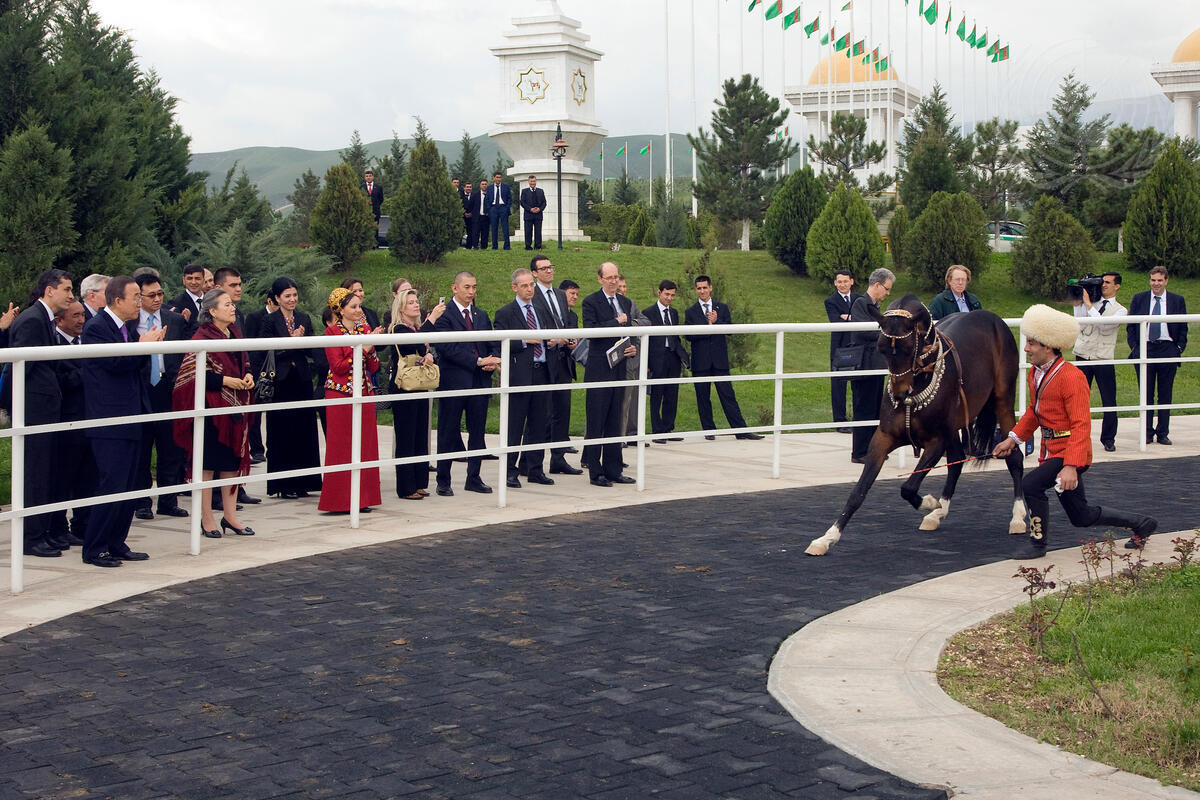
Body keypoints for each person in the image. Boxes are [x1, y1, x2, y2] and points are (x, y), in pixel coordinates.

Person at [994, 304, 1157, 559]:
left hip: (1070, 452)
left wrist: (1071, 466)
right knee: (1081, 516)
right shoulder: (1036, 373)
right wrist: (1013, 439)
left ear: (1048, 346)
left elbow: (1081, 424)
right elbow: (1035, 411)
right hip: (1053, 452)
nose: (1026, 348)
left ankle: (1037, 544)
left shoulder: (1071, 377)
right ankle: (1142, 523)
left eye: (1031, 343)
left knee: (1031, 485)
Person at [80, 275, 158, 567]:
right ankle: (95, 547)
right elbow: (114, 364)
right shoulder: (97, 328)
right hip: (109, 419)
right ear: (117, 300)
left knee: (130, 483)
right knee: (111, 483)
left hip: (132, 414)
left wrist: (145, 346)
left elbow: (132, 368)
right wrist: (143, 346)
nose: (140, 302)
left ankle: (116, 541)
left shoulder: (126, 328)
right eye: (136, 297)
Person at [172, 288, 257, 540]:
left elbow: (245, 361)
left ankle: (230, 516)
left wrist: (248, 375)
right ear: (212, 311)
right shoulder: (201, 337)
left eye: (232, 304)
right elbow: (193, 375)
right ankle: (206, 517)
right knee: (207, 465)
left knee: (231, 463)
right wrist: (225, 381)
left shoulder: (235, 333)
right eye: (227, 304)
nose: (233, 308)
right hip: (211, 410)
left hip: (235, 409)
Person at [9, 269, 75, 556]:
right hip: (34, 411)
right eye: (67, 289)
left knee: (44, 471)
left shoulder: (42, 319)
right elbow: (21, 369)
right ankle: (31, 537)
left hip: (44, 409)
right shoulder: (32, 320)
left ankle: (41, 531)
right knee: (35, 473)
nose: (71, 296)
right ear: (50, 290)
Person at [434, 271, 501, 496]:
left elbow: (491, 341)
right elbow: (448, 348)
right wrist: (479, 361)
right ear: (455, 288)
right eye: (467, 287)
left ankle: (474, 477)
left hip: (479, 381)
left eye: (474, 287)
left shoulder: (481, 315)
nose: (471, 292)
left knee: (477, 432)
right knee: (447, 431)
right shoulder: (444, 314)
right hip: (454, 381)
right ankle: (443, 480)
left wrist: (493, 358)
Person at [317, 288, 382, 513]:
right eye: (353, 307)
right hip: (340, 394)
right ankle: (339, 500)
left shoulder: (365, 329)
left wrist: (371, 350)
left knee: (366, 444)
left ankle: (363, 498)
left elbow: (374, 366)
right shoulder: (332, 332)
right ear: (340, 310)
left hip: (364, 391)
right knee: (341, 445)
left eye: (359, 306)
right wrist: (363, 349)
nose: (358, 310)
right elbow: (338, 367)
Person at [132, 273, 190, 520]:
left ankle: (168, 500)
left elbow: (185, 354)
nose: (157, 299)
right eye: (151, 295)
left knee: (170, 446)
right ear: (139, 297)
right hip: (143, 388)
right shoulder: (130, 322)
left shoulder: (174, 320)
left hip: (169, 387)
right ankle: (142, 501)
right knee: (143, 447)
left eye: (160, 294)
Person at [259, 277, 322, 499]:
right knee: (282, 430)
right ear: (277, 298)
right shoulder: (269, 320)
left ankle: (305, 481)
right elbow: (266, 351)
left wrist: (302, 342)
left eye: (294, 295)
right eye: (287, 296)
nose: (292, 299)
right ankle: (283, 485)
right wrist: (290, 341)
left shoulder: (303, 318)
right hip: (281, 381)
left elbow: (311, 349)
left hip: (301, 379)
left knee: (305, 429)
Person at [493, 268, 557, 488]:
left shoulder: (540, 309)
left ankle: (534, 468)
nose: (529, 289)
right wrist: (523, 340)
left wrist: (551, 341)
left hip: (542, 370)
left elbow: (548, 332)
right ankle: (509, 471)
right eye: (524, 286)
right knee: (515, 424)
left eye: (531, 285)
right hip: (520, 374)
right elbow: (498, 342)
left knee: (539, 423)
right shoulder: (505, 313)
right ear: (515, 288)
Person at [684, 275, 764, 442]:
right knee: (703, 397)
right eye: (699, 288)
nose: (702, 291)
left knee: (728, 396)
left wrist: (716, 321)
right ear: (696, 290)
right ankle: (709, 430)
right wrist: (707, 326)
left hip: (719, 361)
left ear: (710, 288)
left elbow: (729, 330)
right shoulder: (690, 312)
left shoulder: (722, 308)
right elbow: (688, 335)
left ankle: (741, 430)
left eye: (704, 287)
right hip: (701, 362)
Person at [581, 262, 639, 487]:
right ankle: (595, 471)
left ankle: (614, 469)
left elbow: (628, 332)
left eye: (616, 277)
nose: (614, 281)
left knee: (615, 419)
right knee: (597, 420)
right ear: (600, 279)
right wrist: (615, 322)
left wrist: (632, 347)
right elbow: (591, 331)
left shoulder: (625, 302)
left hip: (619, 367)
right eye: (609, 277)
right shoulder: (591, 302)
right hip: (599, 369)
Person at [388, 289, 446, 500]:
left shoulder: (415, 328)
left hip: (420, 384)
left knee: (421, 434)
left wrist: (429, 355)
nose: (416, 305)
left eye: (416, 301)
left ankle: (420, 482)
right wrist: (432, 319)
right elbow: (414, 343)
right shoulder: (398, 329)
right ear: (401, 307)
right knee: (406, 436)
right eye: (411, 302)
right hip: (404, 387)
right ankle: (406, 487)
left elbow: (423, 347)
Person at [529, 257, 581, 474]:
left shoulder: (560, 294)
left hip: (563, 360)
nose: (549, 271)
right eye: (544, 268)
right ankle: (531, 464)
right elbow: (532, 323)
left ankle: (558, 459)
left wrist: (571, 338)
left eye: (551, 267)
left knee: (562, 411)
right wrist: (552, 339)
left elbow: (566, 321)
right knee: (542, 414)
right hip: (543, 360)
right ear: (534, 273)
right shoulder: (533, 294)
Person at [1126, 266, 1187, 445]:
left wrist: (1178, 348)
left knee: (1165, 394)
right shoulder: (1139, 299)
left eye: (1160, 280)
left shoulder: (1177, 300)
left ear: (1166, 281)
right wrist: (1134, 347)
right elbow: (1130, 326)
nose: (1156, 283)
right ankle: (1146, 433)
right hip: (1145, 348)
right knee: (1146, 394)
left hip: (1168, 349)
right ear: (1149, 280)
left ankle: (1162, 433)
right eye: (1153, 280)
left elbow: (1183, 327)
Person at [49, 301, 91, 547]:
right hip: (66, 421)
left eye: (83, 315)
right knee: (63, 478)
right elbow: (59, 382)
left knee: (87, 477)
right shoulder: (54, 344)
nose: (81, 320)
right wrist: (87, 370)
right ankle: (57, 527)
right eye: (75, 316)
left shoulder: (86, 342)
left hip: (90, 419)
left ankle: (82, 525)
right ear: (59, 320)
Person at [1073, 272, 1126, 452]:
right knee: (1078, 399)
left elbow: (1104, 325)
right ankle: (1078, 436)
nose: (1103, 285)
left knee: (1109, 399)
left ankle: (1108, 439)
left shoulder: (1120, 310)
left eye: (1108, 282)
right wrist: (1078, 303)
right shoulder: (1091, 304)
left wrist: (1088, 305)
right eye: (1102, 282)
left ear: (1117, 286)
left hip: (1103, 357)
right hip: (1083, 354)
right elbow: (1079, 325)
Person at [848, 268, 895, 464]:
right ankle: (859, 452)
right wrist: (886, 333)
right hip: (864, 365)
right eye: (887, 288)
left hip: (875, 364)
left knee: (875, 407)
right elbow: (863, 331)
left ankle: (872, 449)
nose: (888, 293)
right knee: (863, 407)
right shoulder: (861, 303)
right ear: (877, 285)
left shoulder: (874, 306)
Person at [645, 280, 685, 442]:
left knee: (672, 394)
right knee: (657, 395)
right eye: (667, 294)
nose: (669, 298)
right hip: (656, 358)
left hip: (672, 356)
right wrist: (647, 363)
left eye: (672, 295)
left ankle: (668, 428)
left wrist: (681, 355)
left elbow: (676, 336)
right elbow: (646, 340)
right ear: (659, 292)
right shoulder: (648, 313)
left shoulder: (673, 313)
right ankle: (657, 430)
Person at [823, 270, 860, 433]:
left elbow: (864, 318)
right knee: (838, 386)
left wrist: (847, 316)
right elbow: (835, 321)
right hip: (839, 348)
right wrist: (851, 317)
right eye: (839, 282)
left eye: (845, 281)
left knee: (858, 384)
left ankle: (859, 420)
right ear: (835, 283)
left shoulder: (859, 299)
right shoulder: (830, 301)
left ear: (851, 281)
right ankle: (840, 421)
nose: (842, 284)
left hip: (857, 346)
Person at [617, 276, 651, 446]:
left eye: (624, 286)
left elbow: (646, 321)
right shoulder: (604, 305)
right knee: (615, 401)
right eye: (620, 287)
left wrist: (631, 323)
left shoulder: (630, 304)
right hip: (611, 362)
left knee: (632, 400)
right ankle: (616, 437)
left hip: (631, 361)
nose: (622, 290)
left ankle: (630, 434)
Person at [168, 263, 205, 337]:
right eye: (189, 278)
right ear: (184, 280)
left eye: (197, 278)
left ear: (203, 280)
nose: (193, 282)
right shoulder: (175, 304)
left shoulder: (212, 301)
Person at [484, 171, 512, 250]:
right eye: (497, 177)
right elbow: (487, 199)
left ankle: (507, 246)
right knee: (494, 228)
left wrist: (507, 208)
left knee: (505, 228)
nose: (498, 179)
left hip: (503, 208)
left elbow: (509, 199)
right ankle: (494, 246)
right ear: (493, 178)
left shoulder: (506, 187)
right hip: (493, 208)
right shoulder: (489, 188)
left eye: (500, 177)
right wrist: (489, 209)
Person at [520, 175, 547, 250]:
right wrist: (530, 209)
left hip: (538, 215)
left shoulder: (540, 191)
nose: (533, 183)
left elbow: (544, 203)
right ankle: (528, 246)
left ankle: (538, 246)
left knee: (538, 231)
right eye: (531, 181)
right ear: (528, 182)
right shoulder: (524, 191)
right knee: (528, 231)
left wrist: (539, 209)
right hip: (528, 215)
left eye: (534, 181)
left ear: (536, 181)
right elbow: (522, 202)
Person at [460, 181, 475, 247]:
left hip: (471, 217)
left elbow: (476, 206)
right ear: (464, 188)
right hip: (462, 217)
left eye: (470, 187)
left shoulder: (474, 195)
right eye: (467, 187)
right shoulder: (460, 195)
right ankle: (459, 245)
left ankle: (469, 246)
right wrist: (464, 213)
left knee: (470, 232)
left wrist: (471, 213)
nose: (469, 188)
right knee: (460, 232)